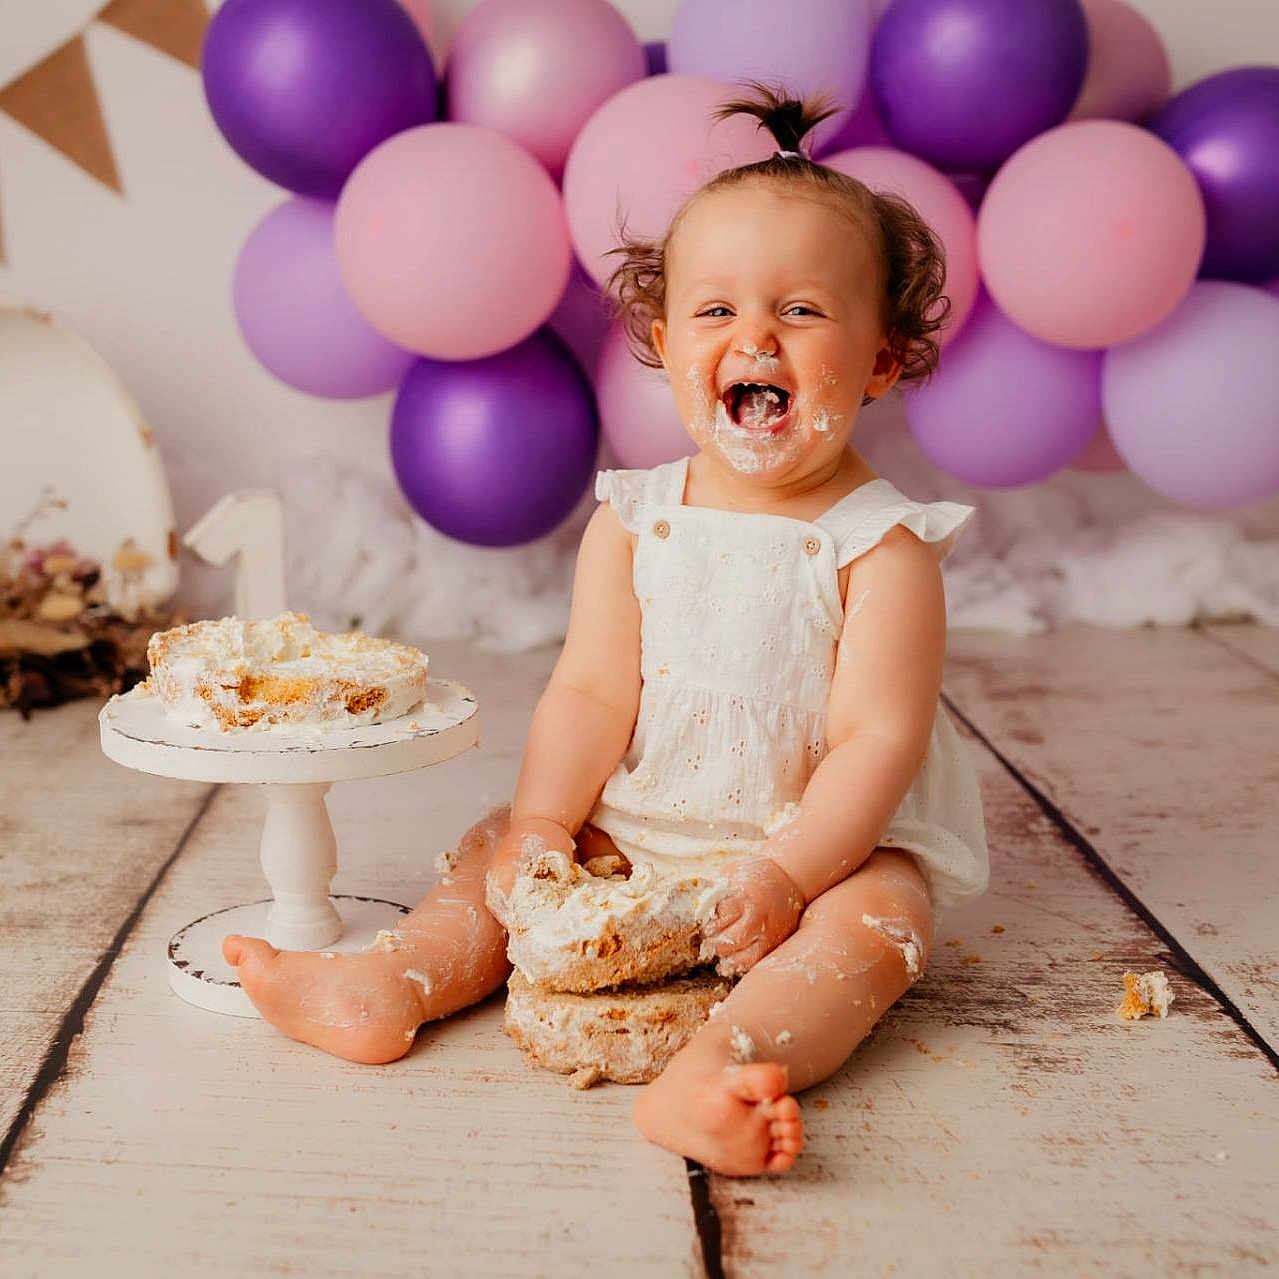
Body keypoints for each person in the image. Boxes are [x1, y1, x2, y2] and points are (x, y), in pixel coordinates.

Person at [223, 83, 989, 1178]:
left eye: (803, 311)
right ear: (662, 340)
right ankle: (388, 981)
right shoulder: (636, 521)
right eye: (716, 311)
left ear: (879, 362)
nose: (754, 335)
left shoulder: (884, 549)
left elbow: (876, 741)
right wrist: (544, 820)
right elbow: (590, 693)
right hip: (640, 821)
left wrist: (785, 876)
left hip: (820, 844)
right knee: (497, 850)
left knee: (876, 925)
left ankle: (720, 1062)